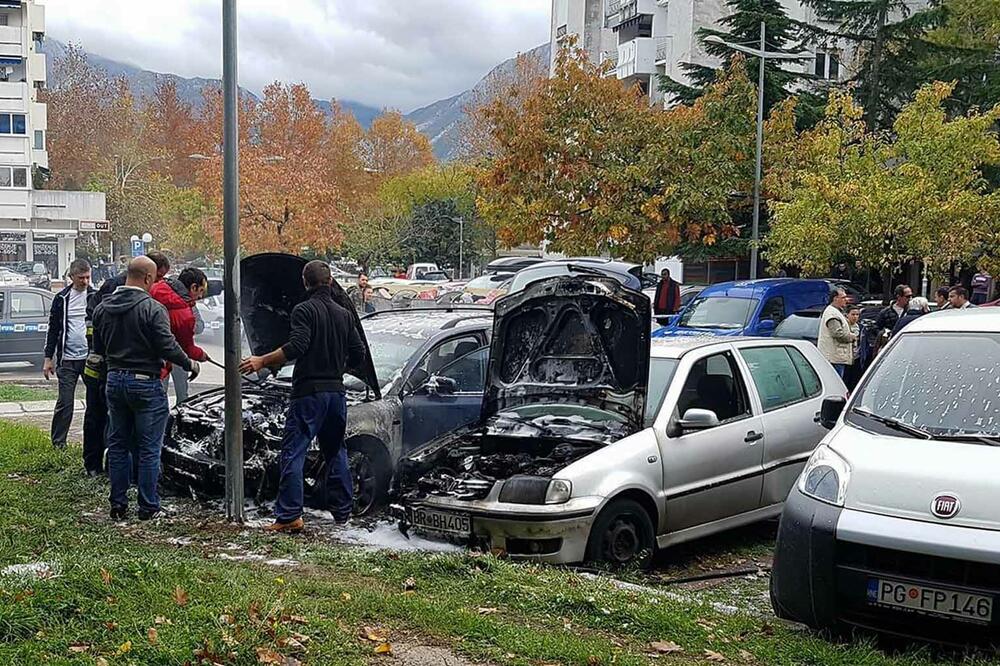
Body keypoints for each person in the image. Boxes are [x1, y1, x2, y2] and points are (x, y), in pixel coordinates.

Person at [239, 260, 366, 532]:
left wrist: (262, 360)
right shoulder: (344, 314)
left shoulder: (304, 309)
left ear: (305, 283)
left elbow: (298, 345)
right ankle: (343, 513)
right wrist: (337, 367)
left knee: (293, 453)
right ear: (330, 282)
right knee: (335, 452)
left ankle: (289, 516)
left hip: (309, 394)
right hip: (336, 393)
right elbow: (359, 354)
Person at [93, 256, 199, 521]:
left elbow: (99, 349)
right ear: (149, 279)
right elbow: (167, 346)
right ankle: (148, 507)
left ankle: (118, 505)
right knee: (150, 447)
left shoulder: (103, 308)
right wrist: (189, 364)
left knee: (117, 445)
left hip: (115, 381)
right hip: (146, 384)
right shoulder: (153, 309)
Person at [43, 259, 105, 472]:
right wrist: (48, 357)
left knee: (96, 403)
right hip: (67, 359)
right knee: (65, 402)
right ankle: (58, 442)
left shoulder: (96, 296)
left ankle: (99, 445)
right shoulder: (61, 299)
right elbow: (53, 329)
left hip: (90, 358)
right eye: (82, 278)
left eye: (88, 277)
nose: (86, 281)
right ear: (71, 277)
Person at [151, 267, 210, 403]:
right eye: (200, 291)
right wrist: (200, 356)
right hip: (160, 364)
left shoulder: (155, 288)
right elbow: (187, 347)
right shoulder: (183, 311)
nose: (201, 296)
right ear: (193, 287)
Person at [817, 288, 857, 378]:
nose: (846, 300)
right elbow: (838, 334)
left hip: (836, 356)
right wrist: (852, 337)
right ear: (835, 299)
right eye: (843, 297)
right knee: (836, 383)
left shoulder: (835, 312)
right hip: (834, 358)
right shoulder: (832, 314)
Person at [844, 305, 863, 389]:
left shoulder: (861, 328)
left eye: (857, 314)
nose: (855, 317)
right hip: (846, 358)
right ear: (847, 315)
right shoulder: (844, 327)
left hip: (857, 358)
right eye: (853, 314)